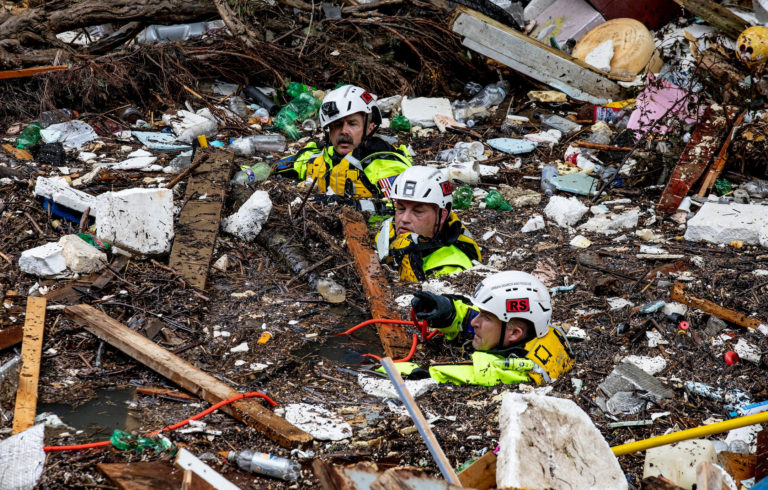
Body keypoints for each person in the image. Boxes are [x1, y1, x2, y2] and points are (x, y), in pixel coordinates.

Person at [408, 271, 574, 386]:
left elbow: (460, 372)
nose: (474, 322)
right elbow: (485, 320)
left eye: (485, 317)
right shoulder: (525, 333)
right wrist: (449, 312)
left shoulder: (517, 370)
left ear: (515, 333)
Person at [277, 84, 412, 199]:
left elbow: (400, 210)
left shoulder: (386, 166)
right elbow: (279, 166)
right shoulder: (318, 158)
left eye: (352, 124)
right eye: (337, 125)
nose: (344, 131)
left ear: (369, 127)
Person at [375, 166, 481, 282]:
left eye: (418, 211)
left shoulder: (452, 269)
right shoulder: (387, 232)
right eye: (401, 208)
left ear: (443, 215)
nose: (404, 219)